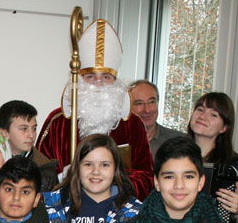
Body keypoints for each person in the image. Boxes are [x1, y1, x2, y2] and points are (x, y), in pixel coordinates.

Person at [36, 19, 154, 199]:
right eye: (91, 76)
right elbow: (38, 175)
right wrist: (63, 178)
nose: (99, 84)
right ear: (80, 80)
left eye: (106, 77)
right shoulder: (58, 122)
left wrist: (111, 183)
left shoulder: (132, 124)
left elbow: (147, 177)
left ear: (116, 81)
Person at [186, 91, 238, 223]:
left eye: (213, 114)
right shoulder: (174, 157)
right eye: (200, 109)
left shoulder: (234, 167)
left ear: (224, 128)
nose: (203, 116)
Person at [0, 100, 58, 190]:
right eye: (24, 129)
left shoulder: (45, 170)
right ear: (4, 132)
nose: (31, 135)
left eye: (34, 128)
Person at [128, 80, 184, 157]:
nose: (147, 110)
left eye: (151, 102)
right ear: (127, 107)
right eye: (139, 103)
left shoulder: (179, 142)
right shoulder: (116, 141)